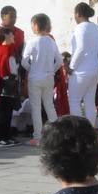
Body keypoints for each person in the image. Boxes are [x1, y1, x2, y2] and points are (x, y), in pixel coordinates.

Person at [22, 13, 59, 145]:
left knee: (36, 108)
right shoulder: (51, 41)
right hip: (49, 78)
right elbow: (59, 61)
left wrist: (31, 69)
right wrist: (51, 71)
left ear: (36, 25)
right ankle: (57, 135)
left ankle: (37, 137)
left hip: (35, 78)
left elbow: (24, 61)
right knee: (50, 106)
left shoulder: (32, 42)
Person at [67, 2, 98, 121]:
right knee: (90, 102)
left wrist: (71, 66)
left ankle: (78, 133)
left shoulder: (79, 28)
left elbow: (80, 48)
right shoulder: (96, 28)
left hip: (81, 71)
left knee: (74, 101)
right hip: (95, 69)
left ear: (78, 14)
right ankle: (90, 131)